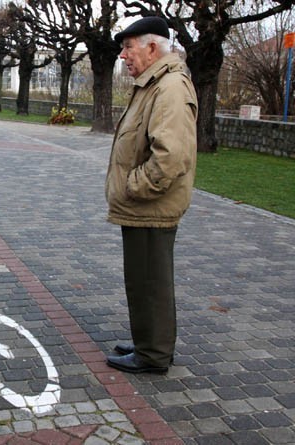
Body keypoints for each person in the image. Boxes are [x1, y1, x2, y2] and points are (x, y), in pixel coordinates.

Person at [104, 16, 198, 374]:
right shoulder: (153, 83)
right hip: (144, 205)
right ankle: (149, 341)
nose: (123, 55)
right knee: (143, 279)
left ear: (152, 47)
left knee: (151, 282)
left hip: (151, 204)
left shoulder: (170, 86)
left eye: (129, 47)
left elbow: (170, 156)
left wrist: (133, 187)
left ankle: (154, 355)